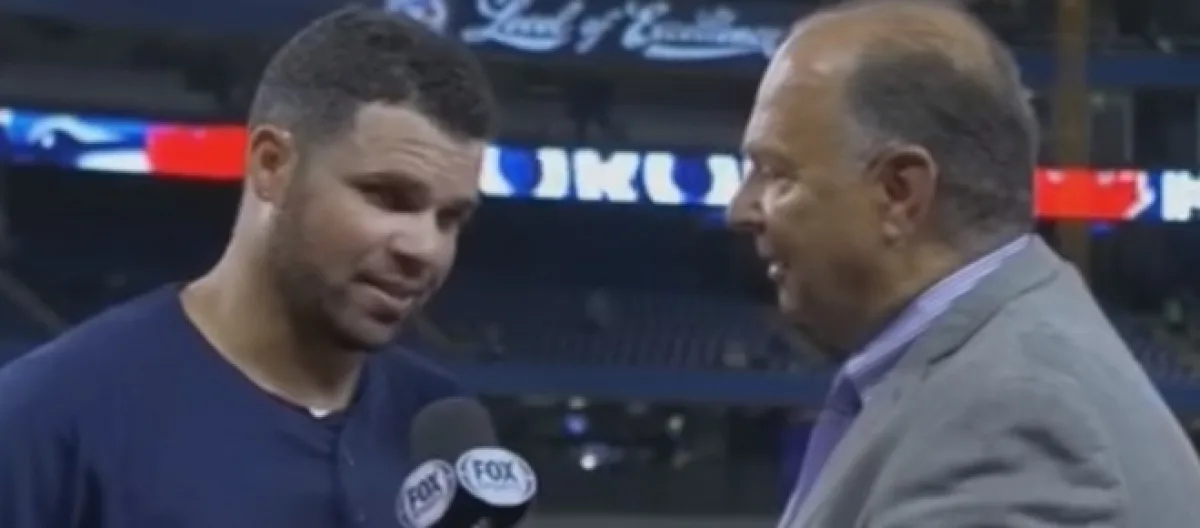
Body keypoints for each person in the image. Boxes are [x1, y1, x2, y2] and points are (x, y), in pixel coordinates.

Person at [0, 6, 495, 527]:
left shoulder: (438, 424)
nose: (425, 248)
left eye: (451, 218)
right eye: (388, 197)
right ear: (271, 165)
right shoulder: (50, 419)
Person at [727, 1, 1200, 527]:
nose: (740, 210)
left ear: (899, 193)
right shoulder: (984, 362)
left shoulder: (1011, 413)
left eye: (776, 173)